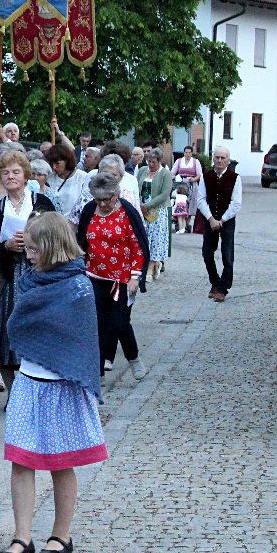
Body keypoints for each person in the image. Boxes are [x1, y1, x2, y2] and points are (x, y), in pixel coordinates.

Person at [0, 213, 106, 553]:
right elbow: (21, 323)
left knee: (62, 462)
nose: (27, 256)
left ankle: (62, 535)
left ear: (52, 247)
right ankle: (22, 536)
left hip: (63, 386)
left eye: (33, 249)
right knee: (21, 460)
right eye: (26, 249)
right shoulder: (30, 280)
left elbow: (82, 341)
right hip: (28, 383)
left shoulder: (78, 287)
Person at [0, 150, 56, 400]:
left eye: (16, 172)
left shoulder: (41, 203)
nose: (11, 176)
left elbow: (55, 237)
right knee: (2, 332)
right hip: (7, 277)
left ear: (26, 176)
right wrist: (5, 246)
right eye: (5, 172)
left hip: (37, 275)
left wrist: (31, 242)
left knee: (36, 330)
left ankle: (35, 391)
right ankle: (13, 392)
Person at [76, 172, 149, 378]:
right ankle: (96, 369)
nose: (102, 204)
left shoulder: (127, 212)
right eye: (98, 199)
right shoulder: (89, 210)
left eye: (107, 200)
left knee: (119, 322)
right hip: (94, 276)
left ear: (116, 195)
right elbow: (82, 242)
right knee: (96, 323)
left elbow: (138, 247)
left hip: (121, 279)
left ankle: (133, 357)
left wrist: (135, 276)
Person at [199, 147, 241, 302]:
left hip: (227, 220)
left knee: (227, 254)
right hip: (210, 219)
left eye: (223, 158)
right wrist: (211, 219)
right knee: (207, 253)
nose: (220, 160)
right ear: (213, 159)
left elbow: (236, 203)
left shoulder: (235, 178)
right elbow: (201, 200)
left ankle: (223, 288)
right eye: (217, 157)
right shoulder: (205, 176)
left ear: (228, 160)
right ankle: (215, 282)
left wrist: (222, 220)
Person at [140, 149, 173, 281]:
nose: (151, 164)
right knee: (143, 238)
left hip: (157, 210)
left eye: (153, 162)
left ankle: (151, 267)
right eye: (149, 161)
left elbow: (164, 194)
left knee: (155, 239)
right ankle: (143, 265)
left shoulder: (165, 174)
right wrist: (140, 205)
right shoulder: (142, 171)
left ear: (159, 161)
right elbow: (136, 187)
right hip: (141, 209)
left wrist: (147, 206)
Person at [43, 144, 86, 223]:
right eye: (51, 164)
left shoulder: (82, 177)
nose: (54, 167)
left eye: (57, 163)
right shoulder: (50, 178)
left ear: (66, 161)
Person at [170, 145, 203, 232]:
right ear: (184, 153)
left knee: (190, 203)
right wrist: (175, 178)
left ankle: (187, 223)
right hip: (181, 185)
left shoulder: (195, 162)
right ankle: (180, 222)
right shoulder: (179, 161)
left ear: (191, 153)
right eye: (186, 152)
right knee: (180, 202)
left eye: (189, 152)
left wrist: (194, 179)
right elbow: (172, 172)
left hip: (191, 184)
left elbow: (199, 174)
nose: (187, 154)